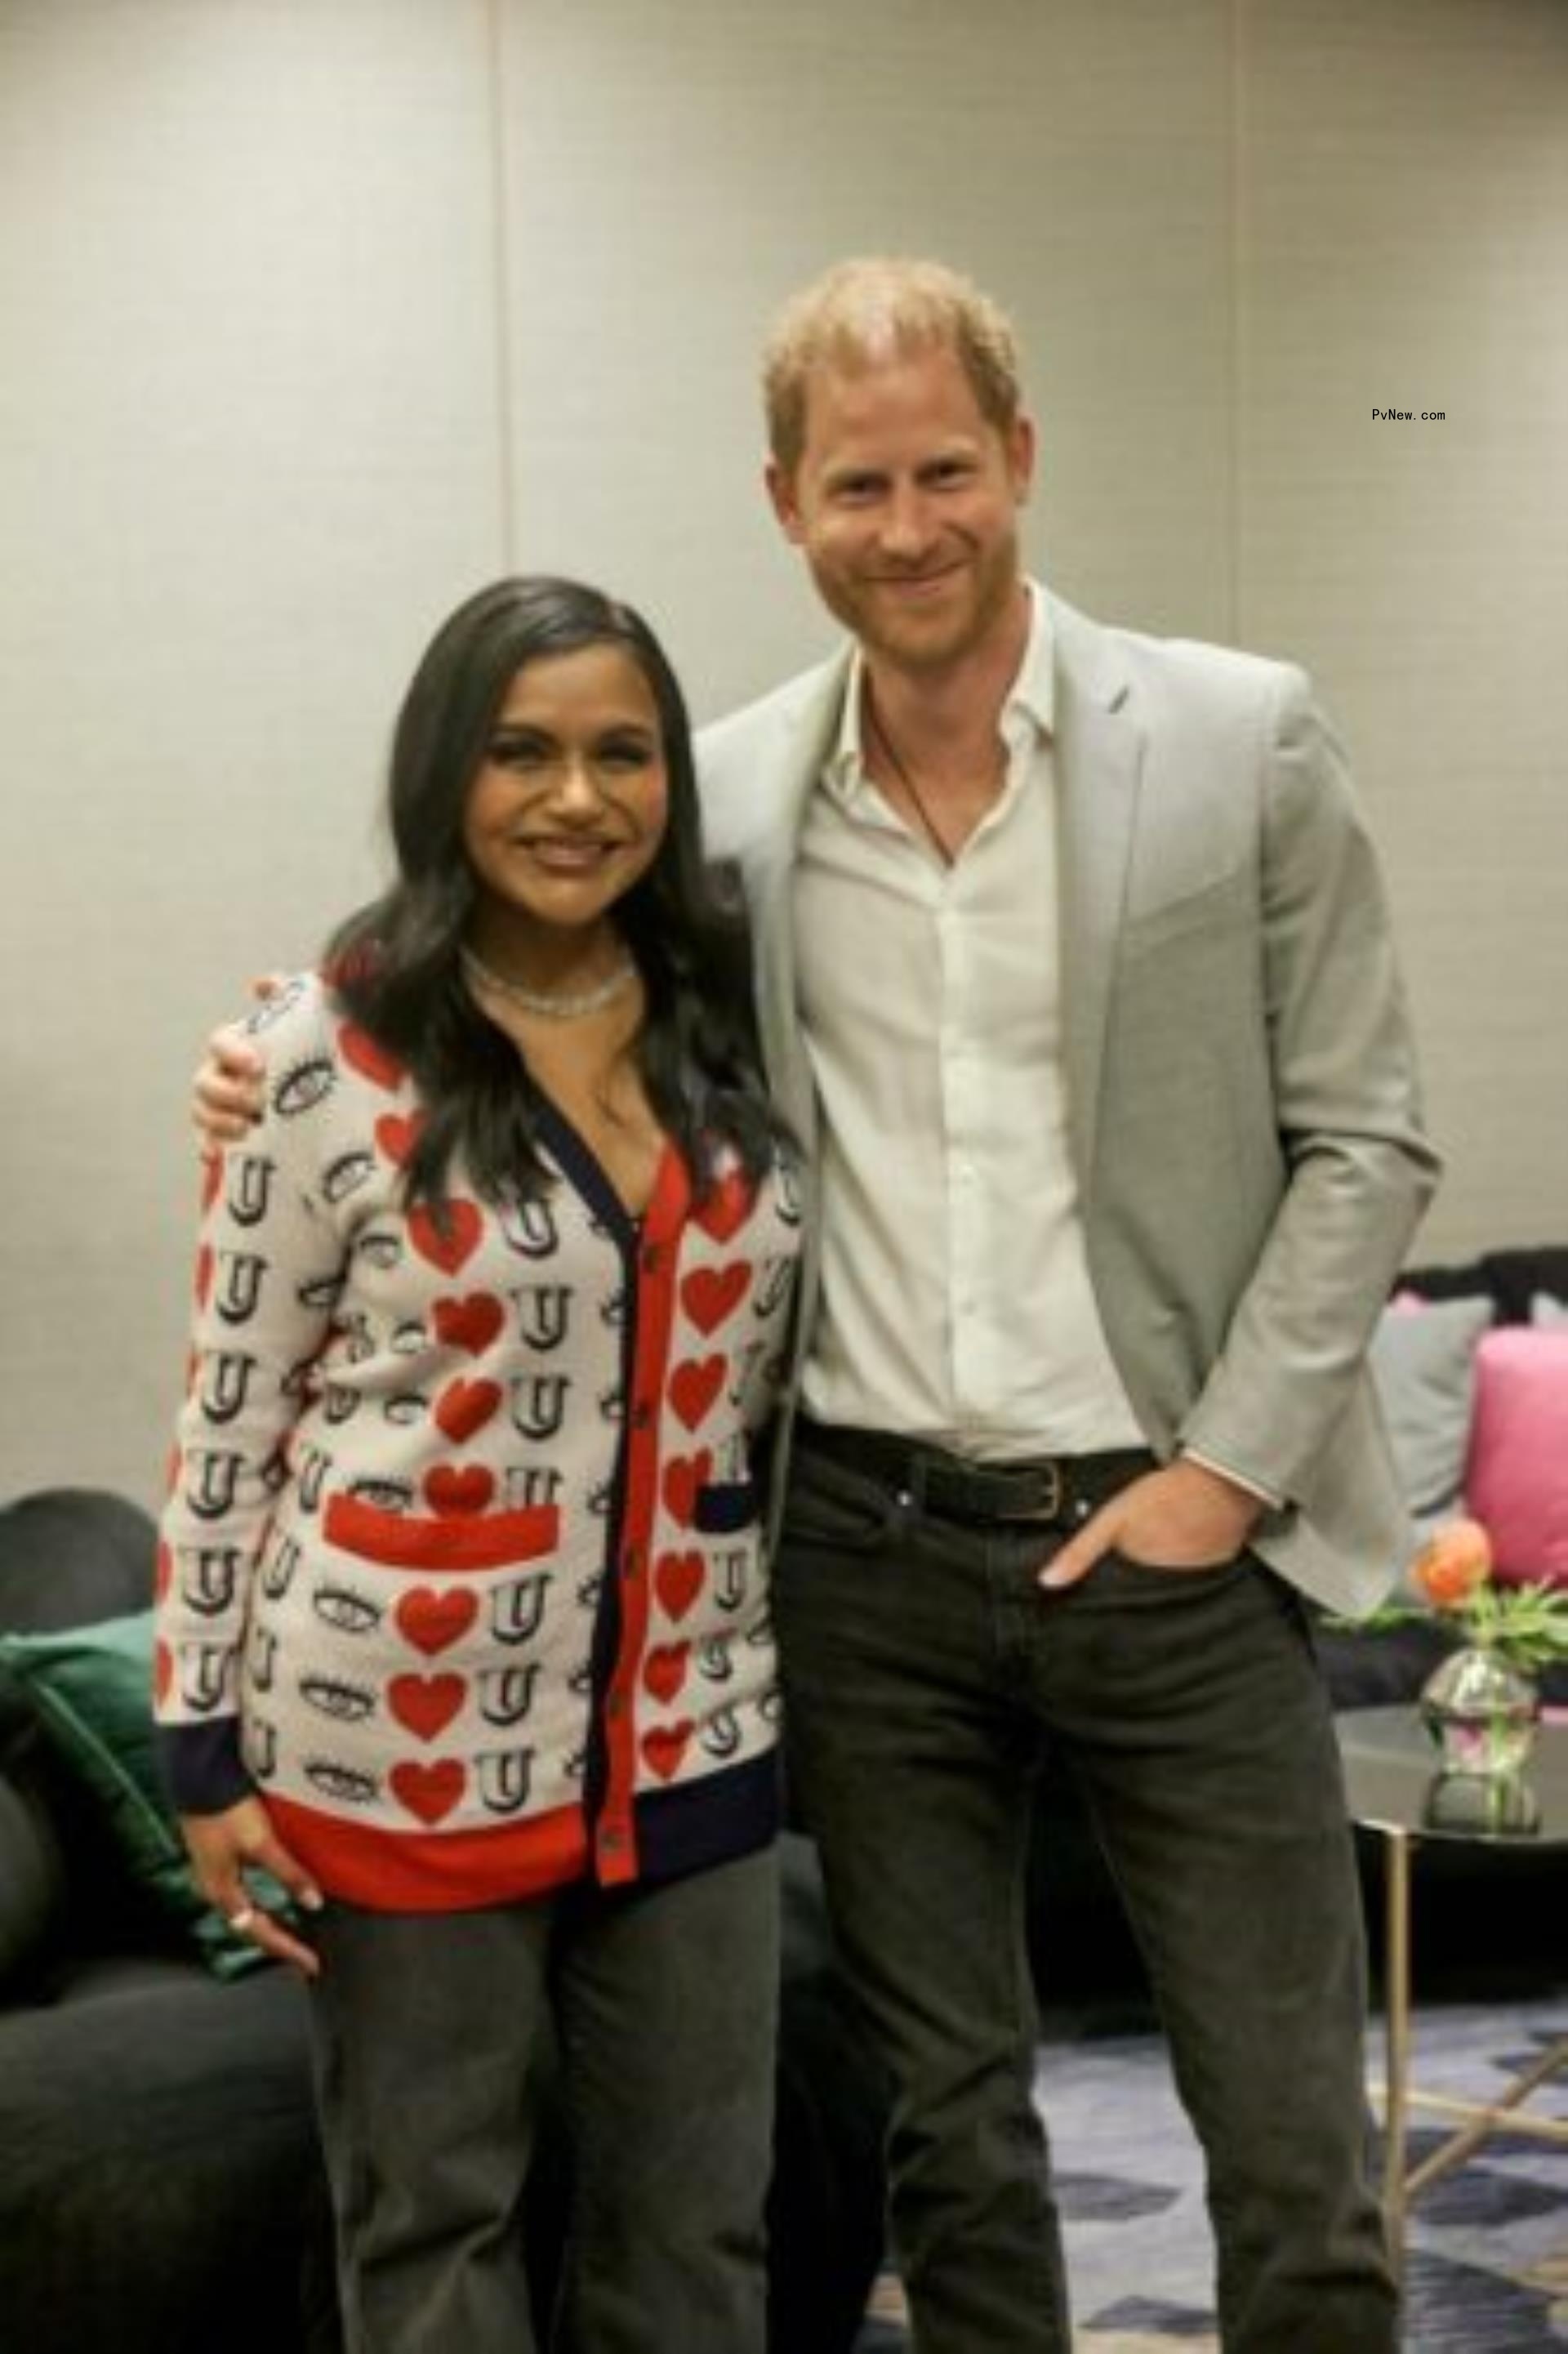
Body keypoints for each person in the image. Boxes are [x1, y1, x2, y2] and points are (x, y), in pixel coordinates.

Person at [194, 259, 1440, 2353]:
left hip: (1174, 1532)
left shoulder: (1238, 736)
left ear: (1020, 460)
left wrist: (1227, 1469)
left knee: (1294, 2143)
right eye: (857, 483)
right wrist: (273, 1040)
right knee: (949, 2135)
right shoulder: (733, 797)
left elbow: (1369, 1140)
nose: (911, 523)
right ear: (786, 503)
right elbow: (515, 959)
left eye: (948, 467)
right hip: (856, 1557)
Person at [160, 574, 801, 2354]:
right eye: (521, 751)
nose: (574, 797)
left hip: (694, 1724)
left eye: (621, 753)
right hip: (392, 1736)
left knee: (698, 2239)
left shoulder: (737, 1021)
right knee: (434, 2226)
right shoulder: (323, 1058)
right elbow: (231, 1408)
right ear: (447, 770)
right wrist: (199, 1744)